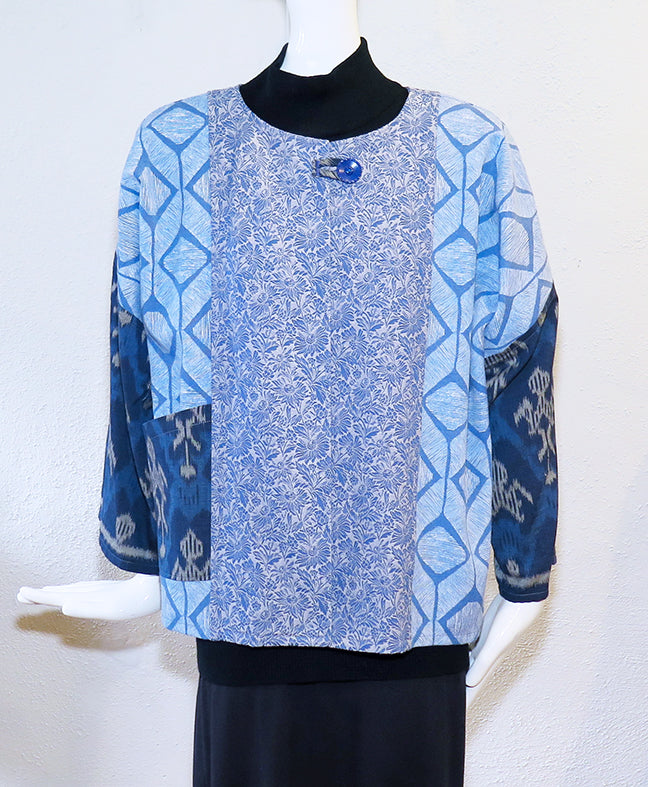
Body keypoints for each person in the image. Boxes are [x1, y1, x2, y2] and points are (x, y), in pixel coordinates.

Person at [18, 1, 559, 784]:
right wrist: (147, 559)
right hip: (244, 644)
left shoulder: (472, 150)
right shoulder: (175, 150)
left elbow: (520, 362)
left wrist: (524, 573)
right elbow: (135, 363)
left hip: (416, 638)